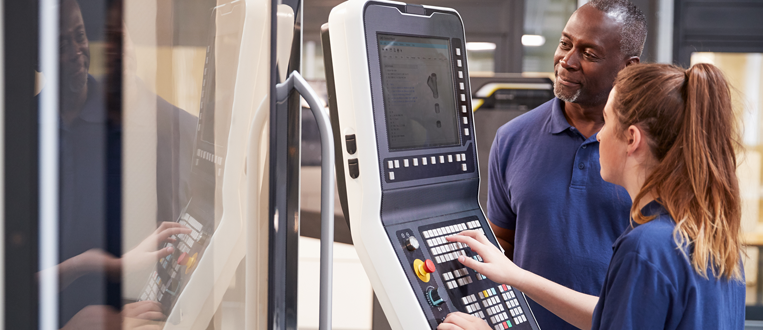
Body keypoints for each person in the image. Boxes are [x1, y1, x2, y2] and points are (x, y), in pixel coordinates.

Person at [443, 63, 746, 329]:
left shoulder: (644, 249)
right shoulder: (708, 237)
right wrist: (516, 275)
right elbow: (612, 315)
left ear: (631, 138)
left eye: (607, 121)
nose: (598, 135)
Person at [486, 1, 645, 328]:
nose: (566, 61)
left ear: (627, 68)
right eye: (564, 44)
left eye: (589, 54)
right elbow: (501, 244)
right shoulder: (511, 138)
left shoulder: (647, 149)